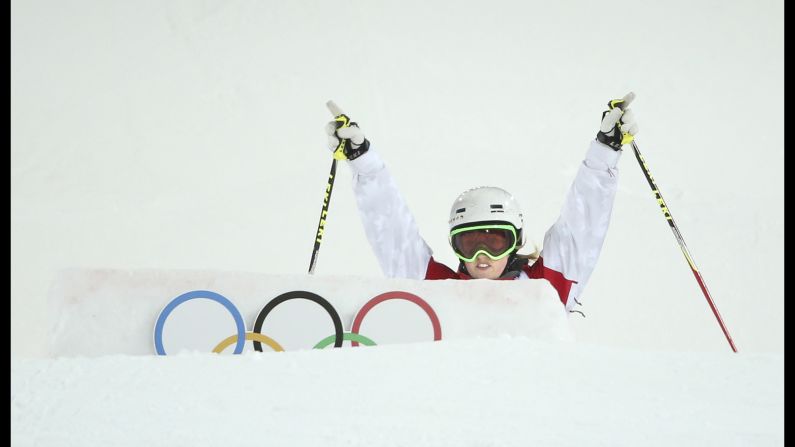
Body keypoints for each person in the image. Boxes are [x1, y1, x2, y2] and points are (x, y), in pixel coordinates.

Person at [324, 93, 638, 312]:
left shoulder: (548, 285)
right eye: (469, 243)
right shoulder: (435, 288)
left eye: (495, 241)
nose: (482, 256)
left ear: (514, 243)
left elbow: (581, 226)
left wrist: (605, 152)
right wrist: (363, 161)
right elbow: (393, 236)